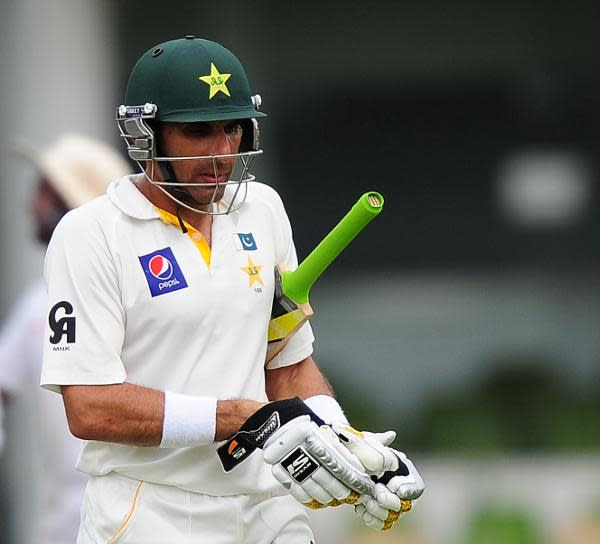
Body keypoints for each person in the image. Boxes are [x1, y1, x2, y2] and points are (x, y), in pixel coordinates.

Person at [41, 36, 424, 543]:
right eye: (198, 131)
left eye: (233, 129)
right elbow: (90, 407)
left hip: (267, 506)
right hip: (153, 508)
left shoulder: (262, 209)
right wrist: (243, 418)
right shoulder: (91, 233)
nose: (221, 152)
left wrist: (347, 443)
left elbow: (286, 365)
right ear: (146, 134)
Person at [0, 134, 132, 544]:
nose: (32, 207)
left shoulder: (137, 290)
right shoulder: (38, 300)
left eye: (46, 192)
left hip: (144, 511)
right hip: (64, 521)